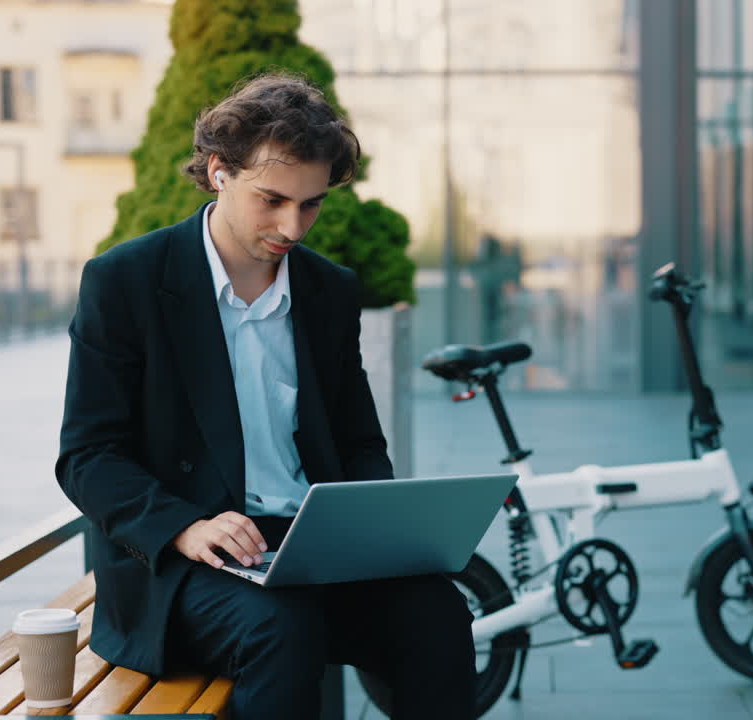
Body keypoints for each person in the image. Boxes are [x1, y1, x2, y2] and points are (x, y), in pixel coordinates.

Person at [56, 72, 476, 720]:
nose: (293, 226)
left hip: (306, 548)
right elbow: (87, 454)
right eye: (273, 199)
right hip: (181, 562)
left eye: (311, 204)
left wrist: (375, 527)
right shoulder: (126, 282)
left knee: (437, 612)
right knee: (281, 626)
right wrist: (186, 527)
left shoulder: (328, 292)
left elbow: (360, 441)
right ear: (219, 171)